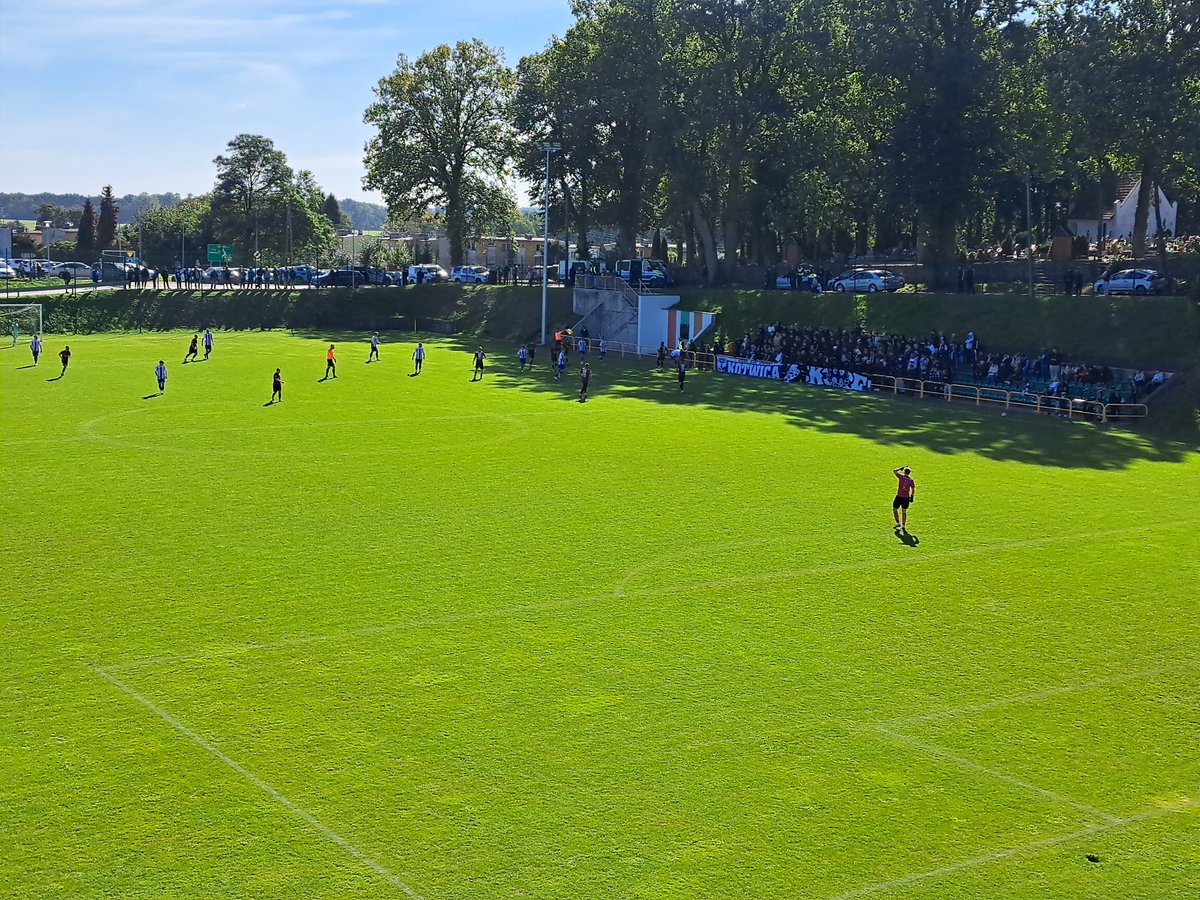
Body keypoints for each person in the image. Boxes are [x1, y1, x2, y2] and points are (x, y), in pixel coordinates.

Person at [892, 466, 916, 530]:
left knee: (895, 509)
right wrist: (912, 496)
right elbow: (913, 489)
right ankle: (903, 525)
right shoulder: (911, 480)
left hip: (899, 496)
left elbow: (894, 471)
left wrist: (900, 468)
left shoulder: (901, 477)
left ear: (904, 472)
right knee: (904, 511)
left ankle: (897, 523)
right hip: (906, 498)